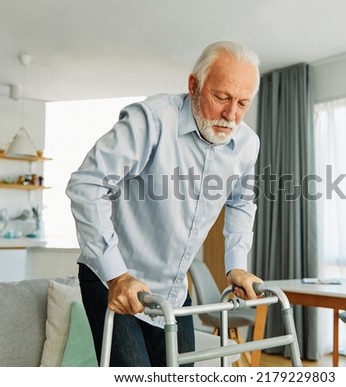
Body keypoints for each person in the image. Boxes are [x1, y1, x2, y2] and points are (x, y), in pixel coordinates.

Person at [66, 41, 263, 367]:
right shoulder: (152, 121)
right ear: (193, 85)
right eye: (222, 97)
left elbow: (242, 201)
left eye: (243, 103)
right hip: (115, 279)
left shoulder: (246, 143)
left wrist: (236, 264)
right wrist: (117, 276)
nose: (231, 115)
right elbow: (87, 185)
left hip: (173, 290)